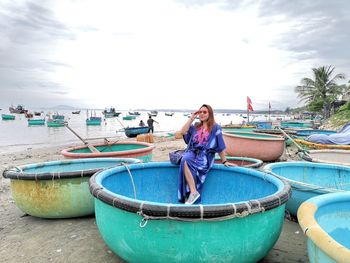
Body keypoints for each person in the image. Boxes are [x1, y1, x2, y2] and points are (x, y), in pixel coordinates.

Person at [177, 104, 236, 205]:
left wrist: (224, 161)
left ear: (210, 114)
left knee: (188, 160)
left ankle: (193, 193)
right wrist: (191, 118)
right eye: (200, 112)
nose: (202, 114)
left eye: (205, 112)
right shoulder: (195, 126)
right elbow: (182, 132)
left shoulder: (216, 128)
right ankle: (193, 192)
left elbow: (220, 146)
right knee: (185, 159)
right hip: (192, 152)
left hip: (205, 157)